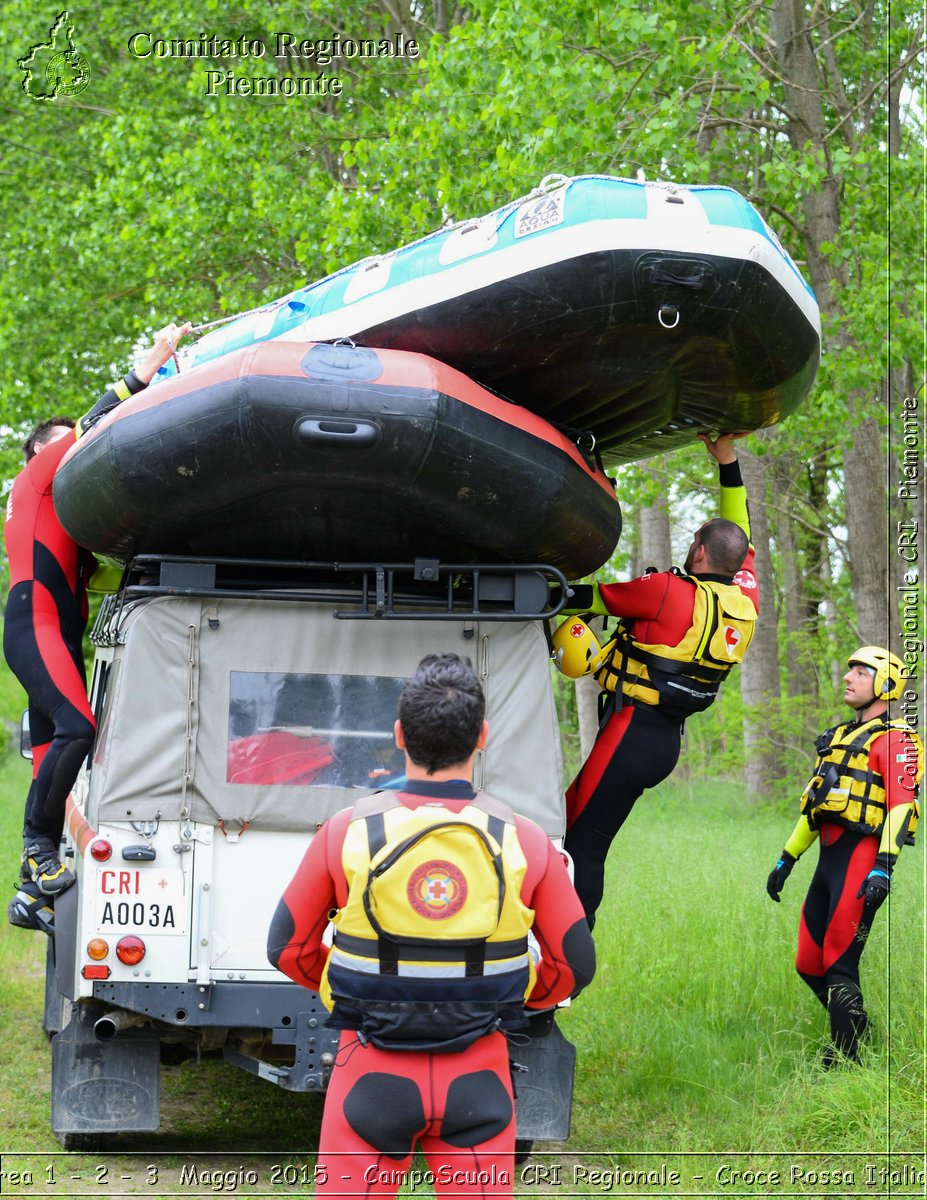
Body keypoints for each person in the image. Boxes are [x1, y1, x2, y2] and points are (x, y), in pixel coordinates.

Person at [268, 652, 595, 1199]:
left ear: (398, 735)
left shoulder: (345, 832)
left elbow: (287, 948)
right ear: (483, 735)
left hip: (367, 1069)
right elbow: (573, 966)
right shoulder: (527, 841)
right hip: (480, 1075)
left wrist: (353, 991)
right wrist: (502, 999)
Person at [5, 321, 191, 930]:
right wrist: (152, 364)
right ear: (42, 454)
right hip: (34, 620)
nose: (77, 455)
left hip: (57, 631)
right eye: (67, 448)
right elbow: (94, 422)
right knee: (76, 728)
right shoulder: (35, 482)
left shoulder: (74, 526)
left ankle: (29, 897)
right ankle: (36, 850)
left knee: (51, 753)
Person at [554, 433, 758, 926]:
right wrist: (727, 462)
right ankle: (558, 948)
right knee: (581, 829)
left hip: (629, 734)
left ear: (702, 554)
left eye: (694, 542)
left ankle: (568, 954)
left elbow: (587, 599)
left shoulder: (666, 591)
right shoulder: (745, 599)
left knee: (580, 841)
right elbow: (740, 536)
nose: (689, 546)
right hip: (665, 741)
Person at [766, 645, 923, 1066]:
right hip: (826, 864)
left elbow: (901, 806)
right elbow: (816, 807)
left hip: (863, 861)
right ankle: (858, 1030)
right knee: (807, 962)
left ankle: (845, 1058)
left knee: (839, 961)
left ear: (887, 684)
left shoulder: (898, 740)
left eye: (861, 671)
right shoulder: (838, 737)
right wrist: (787, 858)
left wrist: (883, 869)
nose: (849, 677)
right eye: (850, 669)